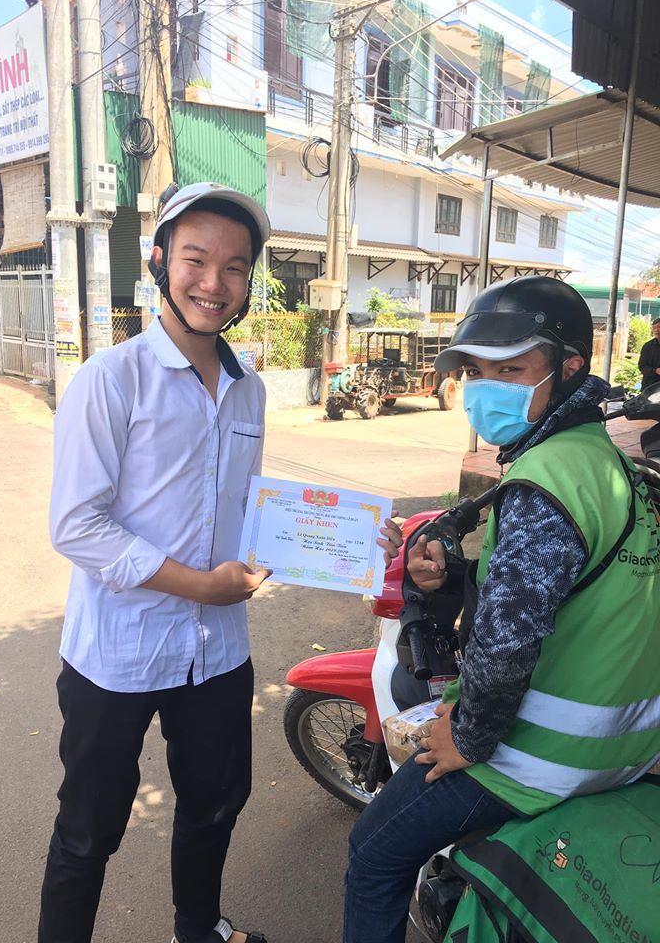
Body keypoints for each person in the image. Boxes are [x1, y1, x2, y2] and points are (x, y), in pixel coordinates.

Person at [343, 277, 660, 943]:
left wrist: (465, 738)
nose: (487, 387)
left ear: (569, 366)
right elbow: (577, 589)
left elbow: (505, 648)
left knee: (373, 851)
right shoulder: (608, 463)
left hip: (545, 754)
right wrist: (453, 572)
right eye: (477, 370)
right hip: (632, 742)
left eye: (511, 369)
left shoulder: (545, 485)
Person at [39, 182, 274, 943]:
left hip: (217, 654)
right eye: (197, 259)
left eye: (236, 268)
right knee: (89, 830)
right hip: (119, 654)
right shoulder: (112, 379)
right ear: (159, 261)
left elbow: (248, 509)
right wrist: (199, 584)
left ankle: (197, 929)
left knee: (214, 805)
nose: (214, 283)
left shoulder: (250, 392)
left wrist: (330, 546)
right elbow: (77, 525)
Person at [638, 316, 660, 389]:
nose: (657, 330)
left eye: (659, 327)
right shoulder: (647, 346)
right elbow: (642, 366)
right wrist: (655, 371)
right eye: (654, 328)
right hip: (650, 386)